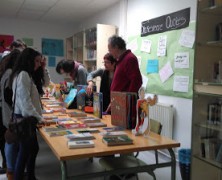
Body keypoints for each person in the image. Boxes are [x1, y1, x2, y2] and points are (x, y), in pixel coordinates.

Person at [8, 48, 45, 180]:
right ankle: (24, 177)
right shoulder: (23, 74)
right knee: (25, 152)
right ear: (28, 60)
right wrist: (40, 118)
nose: (38, 64)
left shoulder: (23, 74)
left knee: (32, 149)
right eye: (36, 61)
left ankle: (30, 176)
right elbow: (25, 103)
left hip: (27, 118)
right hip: (25, 118)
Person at [0, 49, 21, 177]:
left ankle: (10, 168)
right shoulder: (10, 74)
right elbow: (9, 96)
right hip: (9, 112)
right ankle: (11, 169)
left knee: (9, 140)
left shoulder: (6, 72)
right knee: (11, 140)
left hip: (6, 111)